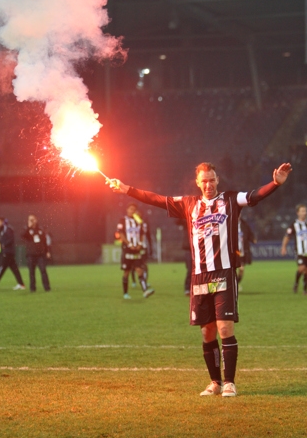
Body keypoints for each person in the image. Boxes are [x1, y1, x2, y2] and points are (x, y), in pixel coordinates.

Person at [109, 160, 292, 397]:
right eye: (203, 181)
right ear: (198, 182)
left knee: (225, 328)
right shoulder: (188, 204)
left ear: (218, 180)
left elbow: (255, 196)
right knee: (207, 333)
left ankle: (229, 382)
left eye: (212, 180)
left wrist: (275, 183)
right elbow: (155, 199)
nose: (208, 185)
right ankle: (214, 382)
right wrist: (127, 189)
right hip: (199, 278)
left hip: (224, 273)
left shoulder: (230, 199)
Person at [116, 203, 155, 300]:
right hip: (127, 249)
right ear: (127, 210)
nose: (132, 211)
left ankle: (145, 291)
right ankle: (125, 293)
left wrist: (140, 244)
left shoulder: (138, 220)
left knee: (139, 270)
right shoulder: (123, 220)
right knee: (126, 272)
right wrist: (129, 244)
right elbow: (120, 233)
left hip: (137, 249)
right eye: (130, 209)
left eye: (134, 209)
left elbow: (142, 234)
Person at [0, 216, 25, 291]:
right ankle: (21, 284)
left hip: (8, 252)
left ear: (2, 221)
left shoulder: (8, 229)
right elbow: (0, 240)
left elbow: (11, 239)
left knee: (1, 268)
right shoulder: (1, 230)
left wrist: (3, 244)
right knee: (14, 269)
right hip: (6, 252)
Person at [21, 214, 51, 292]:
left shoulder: (40, 229)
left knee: (43, 270)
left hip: (40, 254)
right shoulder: (26, 229)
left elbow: (45, 241)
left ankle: (47, 288)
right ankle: (32, 288)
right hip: (31, 254)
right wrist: (28, 226)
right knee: (31, 272)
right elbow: (22, 236)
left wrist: (47, 251)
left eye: (32, 219)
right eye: (29, 219)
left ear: (36, 220)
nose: (31, 221)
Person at [236, 216, 256, 291]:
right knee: (232, 270)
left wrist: (252, 239)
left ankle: (236, 283)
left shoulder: (244, 224)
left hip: (241, 252)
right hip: (233, 252)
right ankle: (233, 285)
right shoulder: (230, 223)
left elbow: (249, 234)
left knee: (241, 270)